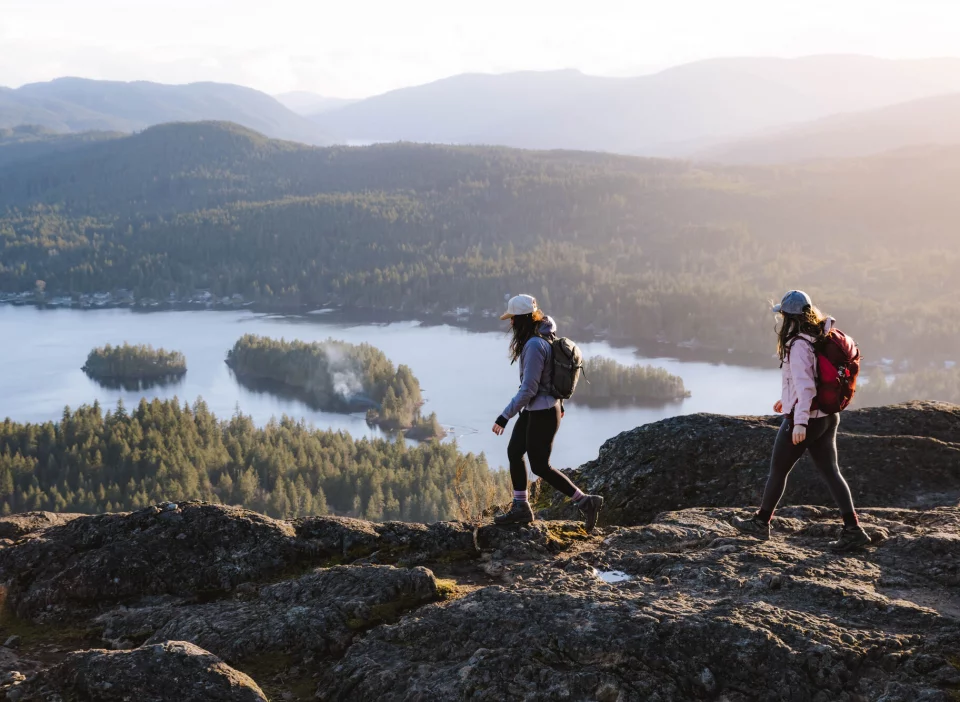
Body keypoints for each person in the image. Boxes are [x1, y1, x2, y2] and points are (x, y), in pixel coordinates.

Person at [732, 290, 871, 551]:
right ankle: (854, 530)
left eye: (783, 316)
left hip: (808, 419)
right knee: (832, 472)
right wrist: (786, 400)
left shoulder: (798, 345)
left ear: (789, 318)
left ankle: (761, 524)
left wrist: (799, 422)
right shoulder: (820, 335)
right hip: (829, 417)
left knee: (778, 471)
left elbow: (806, 387)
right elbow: (811, 381)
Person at [491, 294, 603, 532]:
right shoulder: (543, 335)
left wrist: (504, 416)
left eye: (512, 319)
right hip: (539, 410)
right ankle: (521, 507)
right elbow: (549, 377)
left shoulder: (533, 344)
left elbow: (529, 389)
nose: (510, 324)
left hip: (542, 412)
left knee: (540, 466)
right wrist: (559, 403)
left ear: (521, 319)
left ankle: (585, 501)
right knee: (514, 452)